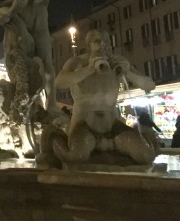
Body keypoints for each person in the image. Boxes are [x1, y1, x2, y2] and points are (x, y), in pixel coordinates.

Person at [53, 30, 156, 164]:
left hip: (112, 125)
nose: (103, 44)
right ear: (88, 44)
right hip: (84, 125)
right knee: (76, 157)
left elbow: (149, 85)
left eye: (107, 41)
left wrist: (128, 72)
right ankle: (55, 139)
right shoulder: (77, 62)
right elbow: (59, 82)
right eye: (97, 41)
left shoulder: (117, 62)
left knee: (145, 155)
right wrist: (89, 69)